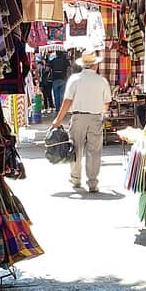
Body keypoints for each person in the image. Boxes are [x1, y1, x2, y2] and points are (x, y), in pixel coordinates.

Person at [51, 50, 111, 193]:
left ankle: (76, 179)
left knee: (76, 148)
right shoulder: (102, 81)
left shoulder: (74, 79)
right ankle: (92, 183)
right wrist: (100, 114)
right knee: (94, 151)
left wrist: (58, 120)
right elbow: (107, 103)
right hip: (96, 117)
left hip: (78, 117)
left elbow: (67, 101)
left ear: (83, 65)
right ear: (95, 65)